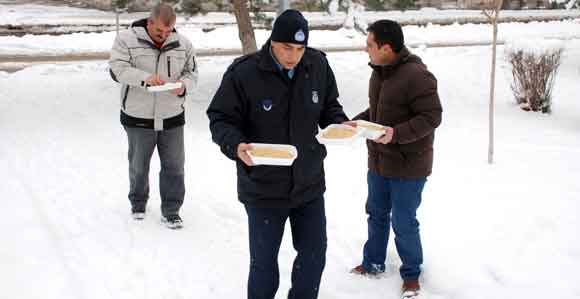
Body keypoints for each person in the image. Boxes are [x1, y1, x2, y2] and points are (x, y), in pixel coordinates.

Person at [207, 9, 348, 299]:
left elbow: (330, 107)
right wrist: (235, 145)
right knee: (264, 265)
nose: (293, 55)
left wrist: (341, 126)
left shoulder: (317, 65)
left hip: (308, 184)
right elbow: (221, 118)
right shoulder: (244, 72)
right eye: (287, 47)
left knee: (313, 257)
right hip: (263, 186)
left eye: (299, 48)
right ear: (273, 41)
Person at [349, 20, 442, 299]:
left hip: (408, 166)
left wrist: (395, 134)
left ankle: (411, 275)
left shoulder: (417, 76)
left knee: (403, 221)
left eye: (369, 44)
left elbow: (431, 116)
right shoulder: (380, 72)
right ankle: (373, 263)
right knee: (376, 214)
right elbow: (380, 110)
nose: (365, 49)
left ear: (386, 48)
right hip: (379, 162)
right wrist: (356, 123)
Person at [109, 3, 198, 229]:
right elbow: (117, 69)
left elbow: (192, 73)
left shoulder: (183, 44)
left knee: (175, 167)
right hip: (138, 115)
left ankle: (171, 210)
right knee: (139, 165)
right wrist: (145, 78)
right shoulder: (126, 40)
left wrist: (184, 86)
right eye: (160, 31)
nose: (164, 36)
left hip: (172, 116)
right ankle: (138, 202)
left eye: (168, 32)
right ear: (149, 23)